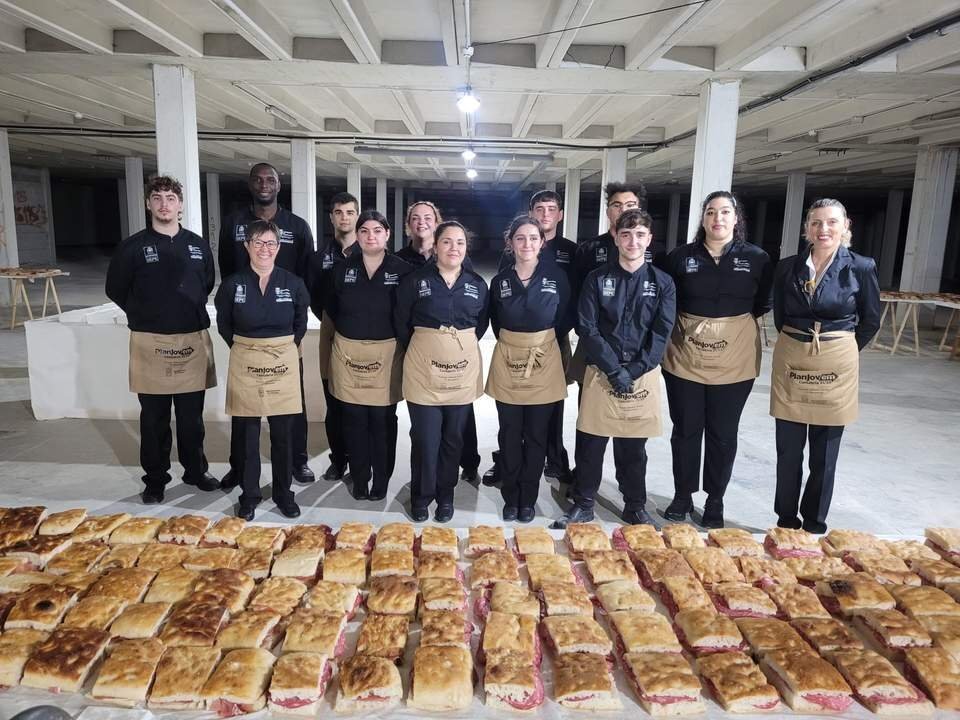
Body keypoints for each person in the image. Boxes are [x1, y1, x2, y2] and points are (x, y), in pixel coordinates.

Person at [552, 209, 676, 528]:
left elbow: (662, 332)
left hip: (640, 375)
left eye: (639, 235)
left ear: (649, 239)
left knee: (633, 447)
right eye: (626, 234)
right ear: (616, 239)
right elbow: (587, 327)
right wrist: (613, 369)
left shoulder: (663, 283)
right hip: (600, 372)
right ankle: (584, 503)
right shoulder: (597, 279)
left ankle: (635, 506)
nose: (633, 241)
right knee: (591, 442)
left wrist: (632, 371)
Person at [660, 191, 774, 528]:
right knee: (685, 429)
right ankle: (682, 495)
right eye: (711, 212)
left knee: (723, 433)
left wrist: (725, 327)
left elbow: (764, 301)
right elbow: (668, 300)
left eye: (725, 212)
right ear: (703, 218)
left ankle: (715, 500)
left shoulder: (757, 258)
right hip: (685, 356)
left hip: (734, 357)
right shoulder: (680, 257)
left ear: (736, 218)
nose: (717, 218)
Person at [106, 175, 219, 504]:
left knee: (191, 418)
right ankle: (155, 479)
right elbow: (115, 288)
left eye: (170, 198)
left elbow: (206, 284)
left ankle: (195, 471)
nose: (164, 204)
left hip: (191, 340)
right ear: (148, 204)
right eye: (157, 198)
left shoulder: (197, 246)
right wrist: (145, 313)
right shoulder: (133, 247)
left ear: (180, 205)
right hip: (150, 342)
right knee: (154, 418)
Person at [770, 198, 880, 534]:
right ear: (807, 228)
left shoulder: (861, 267)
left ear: (846, 226)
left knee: (825, 451)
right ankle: (786, 519)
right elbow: (780, 317)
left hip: (835, 361)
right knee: (789, 449)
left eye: (832, 222)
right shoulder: (787, 267)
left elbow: (870, 320)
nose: (824, 229)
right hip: (793, 357)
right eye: (816, 222)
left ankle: (815, 522)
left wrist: (841, 350)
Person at [219, 163, 315, 488]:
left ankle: (297, 461)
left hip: (284, 335)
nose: (264, 184)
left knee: (291, 404)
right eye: (258, 179)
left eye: (270, 179)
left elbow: (307, 275)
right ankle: (239, 468)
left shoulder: (297, 226)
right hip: (247, 332)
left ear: (279, 184)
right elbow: (225, 268)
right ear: (250, 184)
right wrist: (240, 339)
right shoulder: (234, 223)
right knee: (244, 409)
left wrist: (291, 340)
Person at [394, 221, 489, 523]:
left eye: (460, 242)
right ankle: (422, 496)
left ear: (466, 248)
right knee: (425, 438)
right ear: (435, 246)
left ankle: (446, 496)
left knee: (453, 438)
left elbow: (481, 325)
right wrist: (430, 348)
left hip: (460, 375)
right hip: (423, 373)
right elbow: (401, 324)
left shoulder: (477, 284)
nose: (453, 248)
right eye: (446, 242)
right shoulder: (414, 281)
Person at [215, 219, 309, 521]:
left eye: (270, 243)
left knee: (283, 434)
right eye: (258, 242)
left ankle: (283, 494)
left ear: (278, 247)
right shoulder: (232, 284)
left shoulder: (293, 283)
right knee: (247, 434)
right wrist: (248, 350)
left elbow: (300, 324)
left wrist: (278, 350)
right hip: (246, 363)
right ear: (247, 246)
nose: (264, 249)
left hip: (282, 363)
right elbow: (224, 324)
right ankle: (249, 495)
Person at [487, 216, 571, 523]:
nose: (527, 244)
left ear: (542, 242)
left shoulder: (556, 276)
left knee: (537, 435)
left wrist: (539, 342)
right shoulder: (500, 281)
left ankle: (529, 498)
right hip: (509, 359)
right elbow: (495, 321)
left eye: (533, 238)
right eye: (520, 238)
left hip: (544, 360)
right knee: (510, 433)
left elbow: (565, 316)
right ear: (510, 243)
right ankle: (511, 497)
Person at [326, 210, 413, 501]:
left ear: (387, 234)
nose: (370, 236)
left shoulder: (403, 270)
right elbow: (332, 309)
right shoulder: (342, 270)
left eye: (377, 230)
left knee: (383, 420)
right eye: (364, 231)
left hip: (386, 355)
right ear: (357, 235)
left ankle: (381, 480)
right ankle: (360, 478)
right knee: (354, 419)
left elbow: (408, 313)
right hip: (349, 354)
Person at [307, 192, 360, 483]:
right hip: (332, 334)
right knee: (334, 401)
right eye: (338, 212)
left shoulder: (369, 253)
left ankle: (362, 459)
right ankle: (338, 460)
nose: (344, 218)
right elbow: (315, 299)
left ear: (357, 216)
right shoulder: (319, 258)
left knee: (360, 404)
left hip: (365, 337)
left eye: (350, 212)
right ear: (331, 217)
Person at [396, 201, 442, 266]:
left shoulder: (446, 257)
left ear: (436, 224)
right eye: (415, 218)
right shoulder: (396, 260)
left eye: (427, 218)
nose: (421, 222)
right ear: (408, 224)